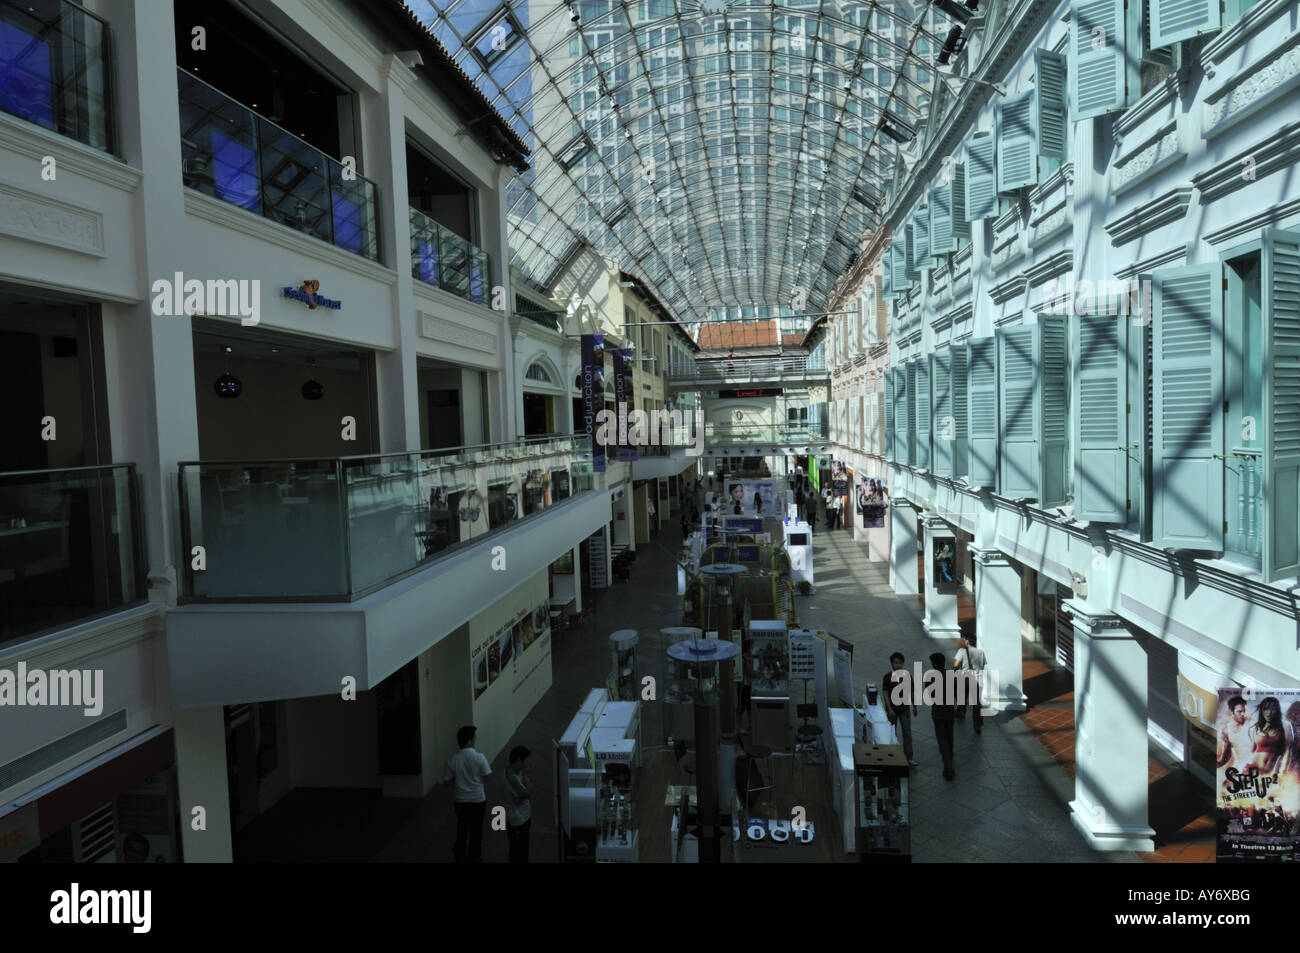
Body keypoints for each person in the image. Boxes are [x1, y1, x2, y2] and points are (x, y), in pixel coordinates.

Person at [443, 725, 492, 862]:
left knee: (462, 827)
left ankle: (459, 855)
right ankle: (475, 856)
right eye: (474, 737)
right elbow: (488, 777)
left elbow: (446, 782)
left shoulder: (453, 759)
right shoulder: (480, 757)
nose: (476, 740)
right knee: (476, 830)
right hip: (478, 800)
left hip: (461, 800)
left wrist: (457, 780)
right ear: (469, 741)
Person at [882, 652, 918, 766]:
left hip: (904, 709)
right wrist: (889, 709)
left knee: (907, 733)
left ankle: (909, 757)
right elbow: (885, 693)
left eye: (900, 663)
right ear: (892, 664)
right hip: (892, 709)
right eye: (895, 663)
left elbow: (912, 692)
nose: (897, 665)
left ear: (903, 664)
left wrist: (914, 706)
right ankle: (893, 755)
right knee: (892, 733)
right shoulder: (888, 677)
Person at [929, 652, 957, 780]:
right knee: (950, 737)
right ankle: (950, 758)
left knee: (942, 740)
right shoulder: (951, 675)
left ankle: (948, 767)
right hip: (950, 712)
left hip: (938, 713)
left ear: (934, 664)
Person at [953, 633, 987, 733]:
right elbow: (982, 666)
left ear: (967, 641)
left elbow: (955, 665)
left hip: (965, 678)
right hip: (977, 680)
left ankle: (961, 712)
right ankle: (977, 725)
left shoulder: (962, 651)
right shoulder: (981, 652)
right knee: (976, 704)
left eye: (964, 640)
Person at [505, 746, 532, 863]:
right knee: (519, 853)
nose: (526, 764)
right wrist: (526, 776)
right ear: (518, 761)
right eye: (525, 761)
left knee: (518, 850)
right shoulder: (513, 780)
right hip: (519, 821)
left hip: (517, 819)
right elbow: (527, 794)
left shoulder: (509, 771)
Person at [1218, 694, 1253, 774]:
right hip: (1240, 770)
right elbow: (1226, 756)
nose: (1243, 714)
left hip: (1256, 767)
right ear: (1231, 711)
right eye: (1239, 711)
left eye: (1244, 711)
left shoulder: (1251, 723)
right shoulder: (1226, 731)